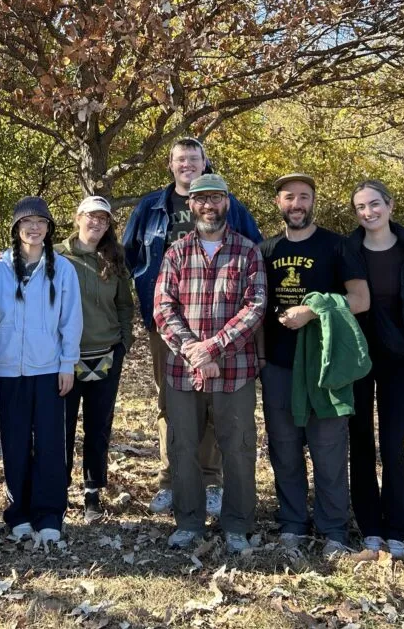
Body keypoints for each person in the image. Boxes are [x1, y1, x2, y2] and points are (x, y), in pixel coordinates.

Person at [123, 137, 262, 516]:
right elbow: (129, 254)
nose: (186, 164)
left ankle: (211, 479)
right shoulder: (152, 207)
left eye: (193, 159)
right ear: (170, 165)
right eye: (179, 159)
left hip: (223, 322)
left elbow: (256, 248)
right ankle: (172, 481)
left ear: (205, 164)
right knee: (172, 403)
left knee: (217, 402)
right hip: (168, 325)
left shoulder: (228, 204)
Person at [256, 174, 370, 557]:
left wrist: (313, 310)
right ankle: (292, 522)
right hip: (278, 364)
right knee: (284, 448)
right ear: (279, 203)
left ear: (313, 202)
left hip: (326, 364)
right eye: (290, 197)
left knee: (329, 449)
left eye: (305, 197)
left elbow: (361, 299)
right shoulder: (265, 249)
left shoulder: (337, 246)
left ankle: (334, 528)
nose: (297, 203)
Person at [154, 174, 266, 553]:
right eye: (201, 199)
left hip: (235, 371)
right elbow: (163, 308)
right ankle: (188, 522)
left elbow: (255, 307)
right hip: (183, 372)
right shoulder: (176, 252)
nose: (208, 205)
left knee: (238, 448)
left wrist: (213, 349)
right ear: (191, 205)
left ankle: (237, 523)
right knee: (183, 446)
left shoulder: (248, 251)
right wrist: (194, 352)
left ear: (227, 203)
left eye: (215, 198)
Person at [0, 197, 82, 544]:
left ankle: (50, 514)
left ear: (49, 228)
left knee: (52, 444)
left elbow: (71, 320)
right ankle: (19, 514)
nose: (34, 228)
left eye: (41, 222)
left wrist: (67, 363)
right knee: (15, 442)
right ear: (16, 228)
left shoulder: (64, 269)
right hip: (8, 370)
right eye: (27, 222)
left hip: (50, 368)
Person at [346, 180, 404, 560]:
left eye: (374, 204)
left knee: (392, 446)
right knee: (360, 443)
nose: (368, 212)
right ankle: (370, 528)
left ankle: (399, 527)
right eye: (360, 207)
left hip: (397, 359)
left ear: (390, 205)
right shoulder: (347, 249)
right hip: (357, 360)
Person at [56, 196, 135, 522]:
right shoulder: (58, 256)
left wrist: (124, 343)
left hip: (105, 354)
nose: (97, 223)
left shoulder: (113, 259)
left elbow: (124, 306)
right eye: (92, 217)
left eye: (104, 219)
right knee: (62, 426)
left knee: (97, 427)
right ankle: (57, 489)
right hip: (65, 358)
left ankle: (92, 493)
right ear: (78, 218)